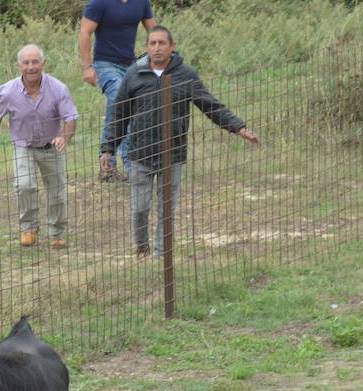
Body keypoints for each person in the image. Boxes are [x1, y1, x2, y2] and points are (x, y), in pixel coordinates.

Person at [100, 26, 259, 257]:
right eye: (152, 43)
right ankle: (142, 246)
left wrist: (238, 127)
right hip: (140, 154)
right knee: (140, 209)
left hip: (172, 154)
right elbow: (119, 113)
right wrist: (108, 149)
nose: (157, 48)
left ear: (172, 47)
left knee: (167, 210)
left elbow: (210, 105)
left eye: (162, 43)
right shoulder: (134, 75)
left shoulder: (185, 74)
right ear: (146, 47)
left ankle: (162, 255)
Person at [0, 44, 80, 250]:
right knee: (24, 185)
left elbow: (70, 117)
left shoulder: (58, 88)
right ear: (19, 66)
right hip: (23, 146)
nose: (31, 67)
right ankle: (28, 228)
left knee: (57, 190)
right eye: (26, 63)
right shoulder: (8, 91)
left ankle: (57, 233)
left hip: (52, 146)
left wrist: (64, 137)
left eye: (35, 62)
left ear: (43, 64)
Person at [79, 0, 156, 179]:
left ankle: (107, 166)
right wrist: (87, 67)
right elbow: (84, 33)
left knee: (118, 112)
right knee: (123, 104)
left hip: (130, 65)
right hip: (104, 65)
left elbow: (154, 30)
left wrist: (162, 56)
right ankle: (132, 166)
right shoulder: (100, 1)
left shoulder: (141, 0)